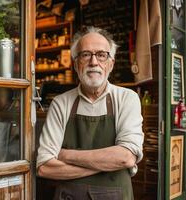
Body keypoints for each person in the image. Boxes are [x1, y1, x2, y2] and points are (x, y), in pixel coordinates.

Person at [36, 26, 144, 200]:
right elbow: (44, 167)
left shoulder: (127, 99)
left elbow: (125, 158)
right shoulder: (61, 103)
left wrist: (65, 154)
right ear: (75, 63)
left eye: (101, 55)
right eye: (86, 54)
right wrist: (107, 163)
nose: (94, 62)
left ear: (111, 63)